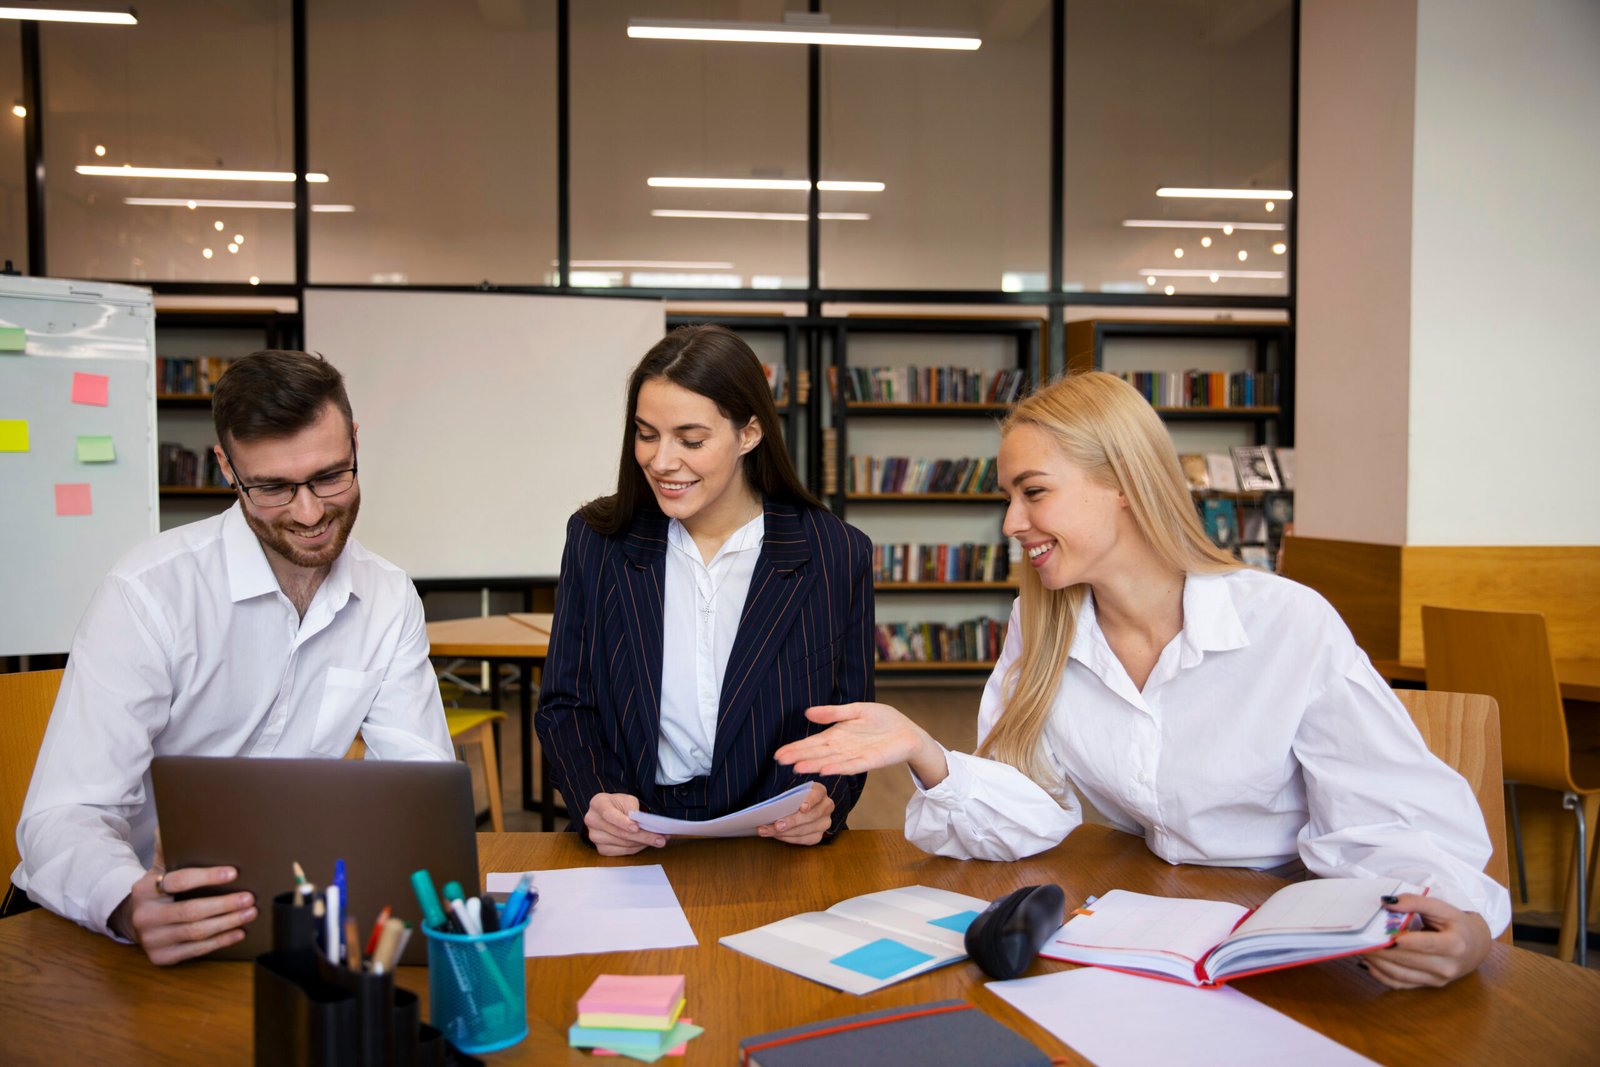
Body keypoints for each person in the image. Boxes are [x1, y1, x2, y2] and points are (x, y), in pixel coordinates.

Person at [776, 371, 1510, 989]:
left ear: (1123, 484)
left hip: (1297, 940)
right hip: (1156, 923)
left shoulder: (1285, 622)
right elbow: (1033, 804)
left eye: (1034, 492)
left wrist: (1463, 924)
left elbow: (1386, 820)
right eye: (1008, 496)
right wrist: (924, 750)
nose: (1010, 523)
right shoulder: (1043, 622)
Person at [13, 350, 453, 964]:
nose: (310, 513)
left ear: (354, 443)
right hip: (126, 927)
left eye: (330, 476)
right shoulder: (149, 593)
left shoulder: (388, 595)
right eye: (273, 487)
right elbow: (64, 813)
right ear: (226, 466)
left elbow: (420, 789)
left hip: (286, 912)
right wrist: (128, 902)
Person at [536, 324, 873, 856]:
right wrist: (594, 798)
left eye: (691, 440)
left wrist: (824, 802)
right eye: (647, 434)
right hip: (634, 837)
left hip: (774, 843)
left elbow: (848, 717)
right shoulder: (597, 541)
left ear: (749, 434)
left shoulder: (836, 552)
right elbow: (565, 703)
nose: (661, 461)